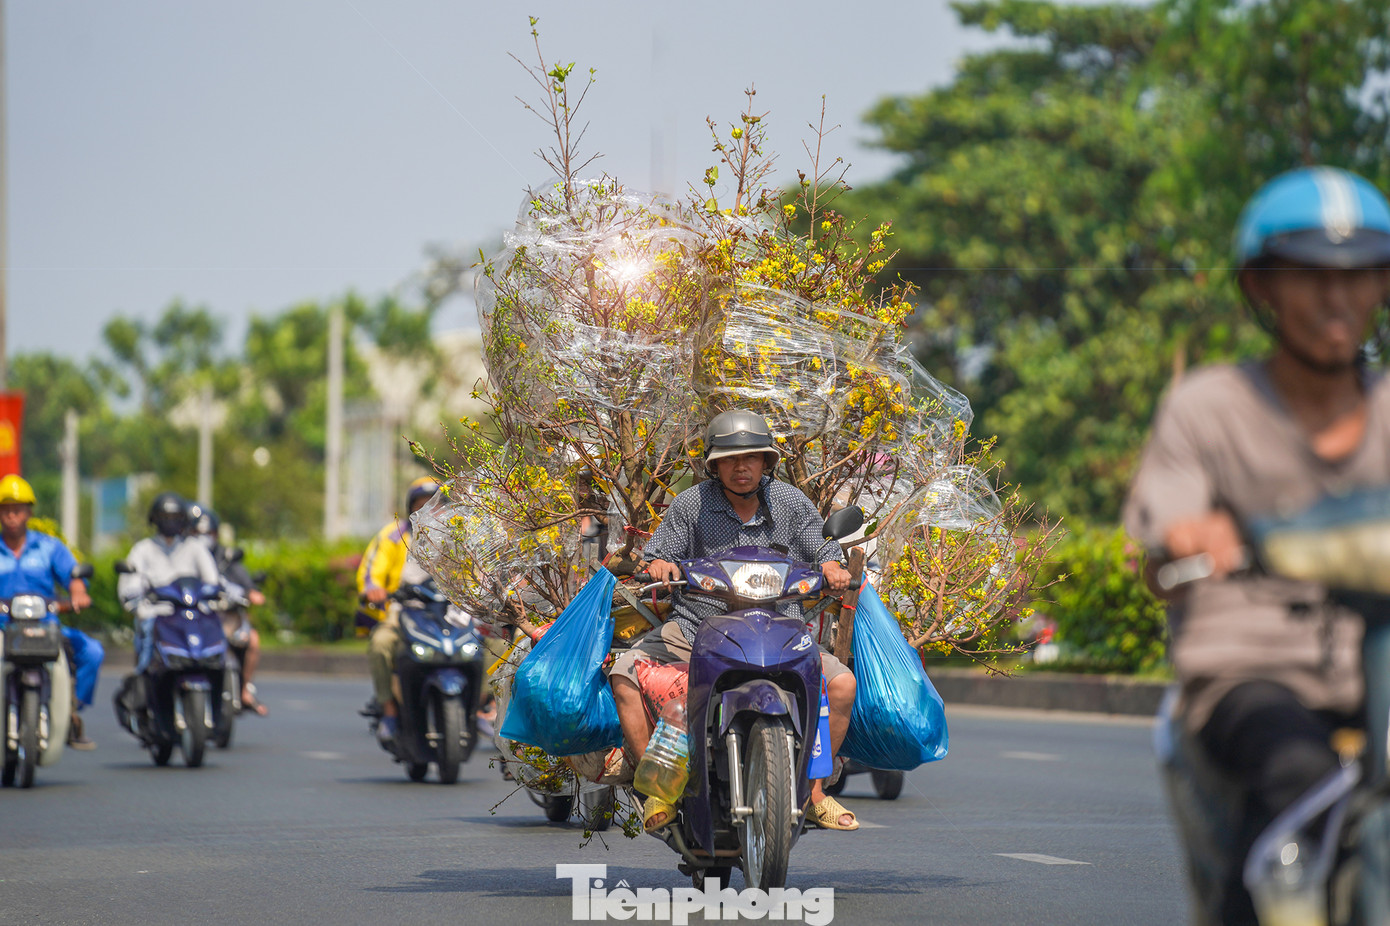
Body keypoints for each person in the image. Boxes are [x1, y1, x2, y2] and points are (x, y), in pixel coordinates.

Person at [1124, 166, 1390, 924]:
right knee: (1300, 780)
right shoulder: (1208, 409)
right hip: (1250, 672)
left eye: (1362, 274)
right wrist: (1190, 540)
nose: (1337, 297)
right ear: (1263, 287)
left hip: (1382, 670)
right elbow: (1162, 556)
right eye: (1310, 275)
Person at [608, 409, 858, 832]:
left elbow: (823, 546)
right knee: (624, 676)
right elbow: (657, 554)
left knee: (842, 684)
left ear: (766, 463)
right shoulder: (693, 504)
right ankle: (657, 790)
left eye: (751, 458)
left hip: (780, 628)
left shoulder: (792, 503)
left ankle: (815, 793)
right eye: (729, 460)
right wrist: (661, 566)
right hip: (695, 628)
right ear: (714, 466)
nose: (741, 468)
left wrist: (832, 566)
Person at [0, 474, 103, 749]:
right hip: (2, 630)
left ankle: (70, 712)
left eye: (17, 509)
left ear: (29, 512)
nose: (12, 515)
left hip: (45, 626)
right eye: (6, 509)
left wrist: (78, 591)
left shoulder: (49, 547)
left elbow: (73, 575)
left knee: (91, 652)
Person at [358, 476, 440, 743]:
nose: (427, 509)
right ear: (411, 507)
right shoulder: (394, 534)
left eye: (433, 502)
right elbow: (372, 570)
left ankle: (484, 709)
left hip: (450, 613)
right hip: (403, 610)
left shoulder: (458, 536)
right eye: (421, 503)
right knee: (381, 643)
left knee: (491, 644)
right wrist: (373, 589)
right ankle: (390, 710)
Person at [118, 493, 221, 676]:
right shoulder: (143, 549)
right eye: (164, 518)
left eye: (174, 518)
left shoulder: (195, 547)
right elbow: (130, 585)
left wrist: (216, 596)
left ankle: (223, 693)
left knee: (218, 643)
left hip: (192, 615)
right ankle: (143, 681)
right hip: (157, 614)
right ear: (154, 520)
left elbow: (212, 581)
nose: (169, 522)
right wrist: (138, 601)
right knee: (149, 634)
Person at [188, 504, 269, 717]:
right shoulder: (182, 556)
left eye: (208, 533)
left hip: (224, 620)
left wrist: (251, 592)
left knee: (252, 639)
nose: (203, 538)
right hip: (193, 621)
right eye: (197, 533)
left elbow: (242, 581)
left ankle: (243, 691)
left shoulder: (226, 556)